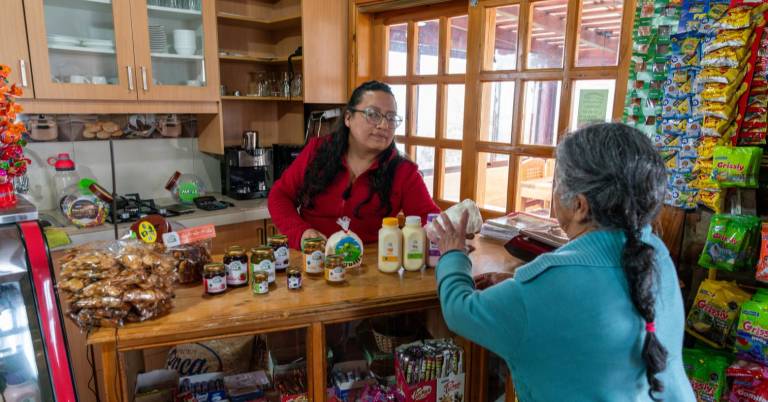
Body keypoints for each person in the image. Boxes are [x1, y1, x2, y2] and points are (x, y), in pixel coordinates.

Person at [430, 123, 695, 401]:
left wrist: (452, 253)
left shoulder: (544, 287)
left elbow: (459, 310)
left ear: (580, 206)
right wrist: (524, 289)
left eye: (557, 182)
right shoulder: (655, 252)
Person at [268, 81, 440, 249]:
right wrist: (302, 233)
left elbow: (430, 219)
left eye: (391, 118)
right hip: (313, 260)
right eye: (373, 114)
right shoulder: (317, 151)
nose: (384, 125)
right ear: (348, 118)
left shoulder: (403, 171)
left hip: (370, 268)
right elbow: (280, 195)